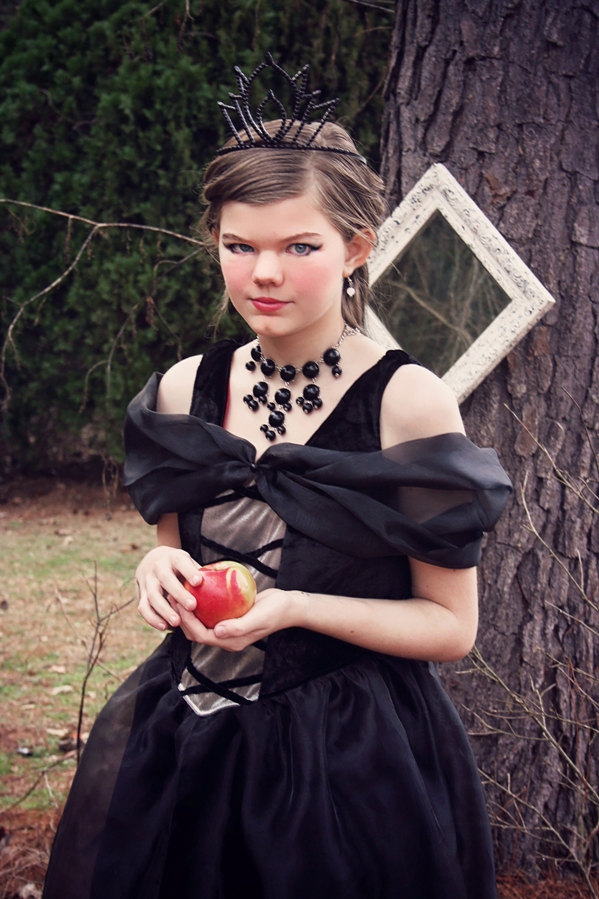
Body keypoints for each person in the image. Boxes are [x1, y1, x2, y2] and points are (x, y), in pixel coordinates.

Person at [42, 56, 511, 899]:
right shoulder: (187, 387)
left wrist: (292, 609)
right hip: (186, 744)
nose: (264, 274)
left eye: (299, 246)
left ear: (355, 248)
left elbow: (448, 628)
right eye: (239, 246)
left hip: (347, 763)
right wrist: (158, 567)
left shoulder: (407, 400)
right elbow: (176, 555)